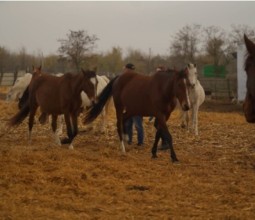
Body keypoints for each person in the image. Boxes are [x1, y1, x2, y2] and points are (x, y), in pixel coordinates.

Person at [123, 63, 144, 146]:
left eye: (128, 70)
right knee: (128, 125)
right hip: (129, 107)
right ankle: (129, 140)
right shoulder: (127, 79)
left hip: (137, 107)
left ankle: (140, 142)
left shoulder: (137, 79)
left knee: (138, 126)